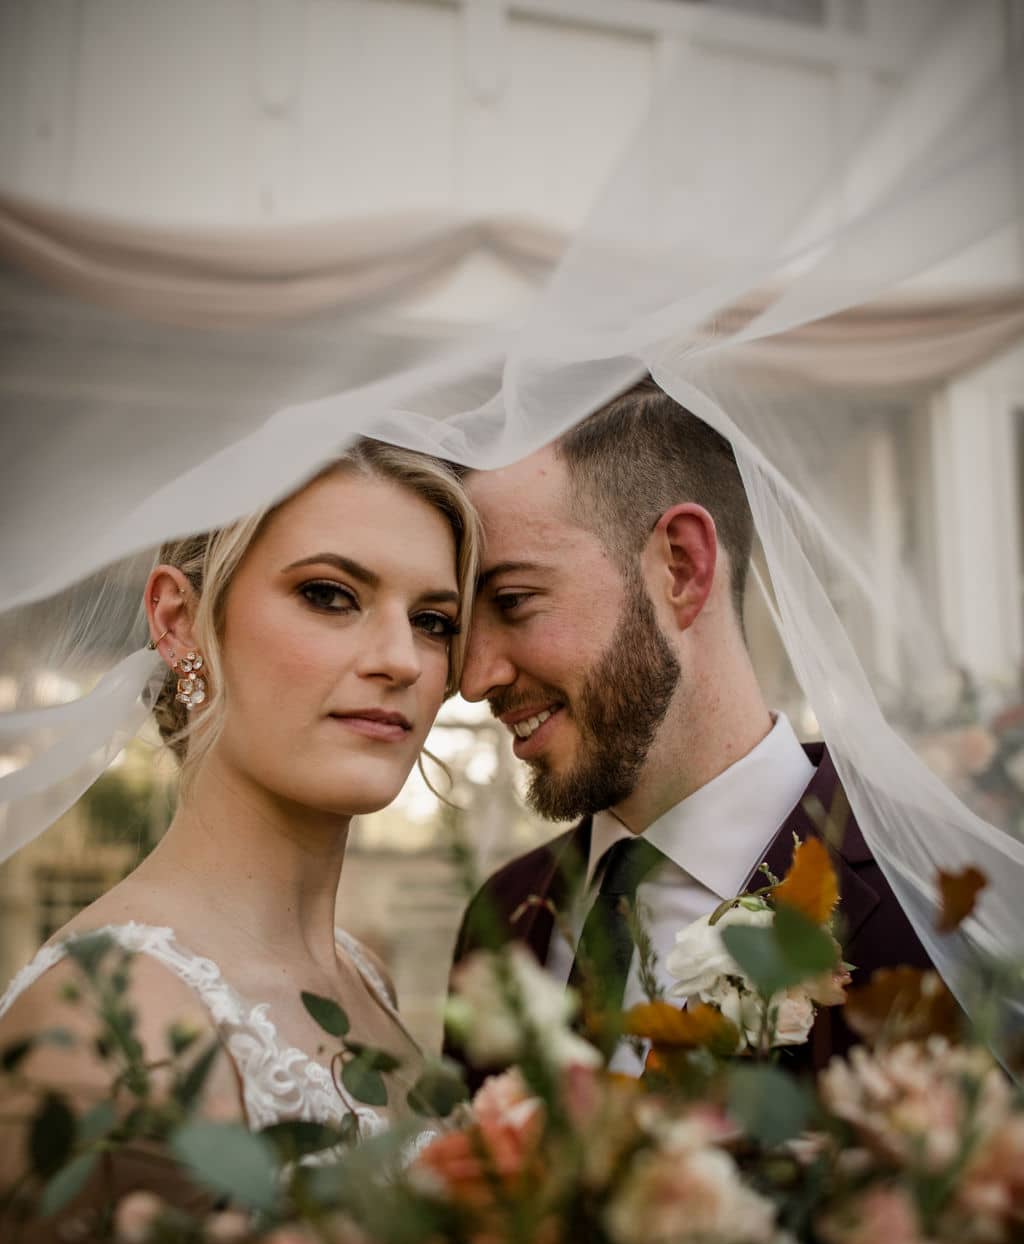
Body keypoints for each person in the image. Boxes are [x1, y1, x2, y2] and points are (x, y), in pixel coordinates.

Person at [0, 439, 478, 1163]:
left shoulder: (362, 975)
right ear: (178, 621)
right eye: (329, 595)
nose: (402, 660)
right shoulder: (108, 1017)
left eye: (432, 621)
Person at [448, 379, 929, 1075]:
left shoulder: (926, 905)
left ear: (681, 566)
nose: (473, 679)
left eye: (514, 601)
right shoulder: (499, 918)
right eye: (460, 623)